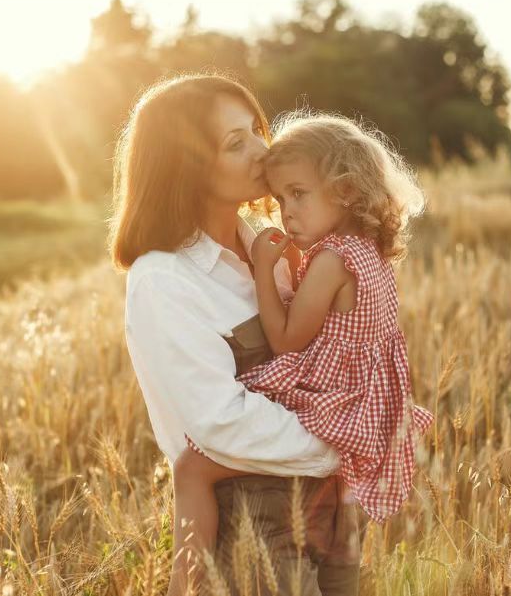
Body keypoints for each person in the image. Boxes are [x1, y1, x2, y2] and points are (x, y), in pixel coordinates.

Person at [110, 73, 360, 596]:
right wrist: (343, 445)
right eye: (235, 142)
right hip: (251, 532)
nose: (262, 150)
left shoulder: (277, 249)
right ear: (187, 166)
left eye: (255, 129)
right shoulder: (164, 279)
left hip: (328, 516)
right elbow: (217, 423)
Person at [172, 110, 436, 593]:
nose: (286, 210)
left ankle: (183, 584)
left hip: (331, 397)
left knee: (193, 467)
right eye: (279, 198)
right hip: (365, 401)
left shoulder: (333, 259)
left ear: (347, 191)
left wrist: (261, 270)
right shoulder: (366, 250)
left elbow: (288, 340)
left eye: (299, 194)